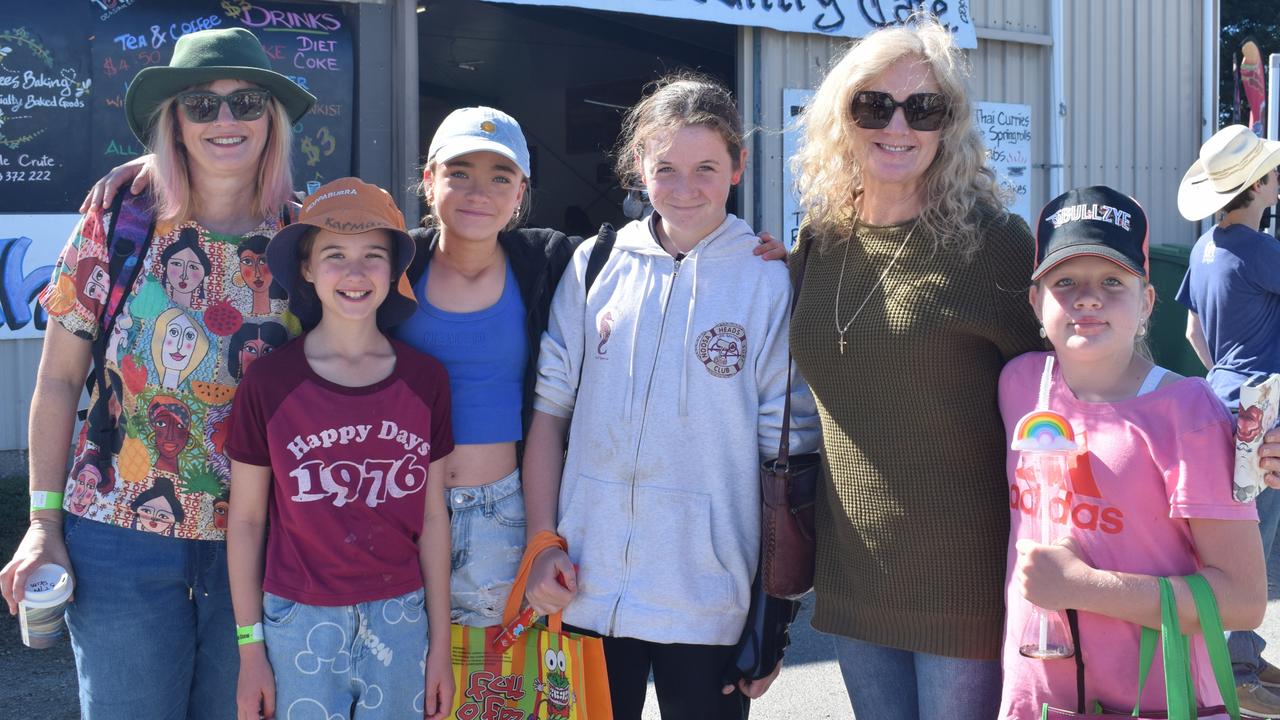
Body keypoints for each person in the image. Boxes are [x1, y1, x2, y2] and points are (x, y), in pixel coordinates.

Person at [0, 27, 313, 719]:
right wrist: (42, 522)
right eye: (200, 104)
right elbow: (56, 381)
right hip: (119, 538)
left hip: (261, 541)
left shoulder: (307, 236)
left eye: (247, 103)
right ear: (173, 121)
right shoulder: (120, 217)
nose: (225, 120)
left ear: (273, 120)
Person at [396, 105, 787, 628]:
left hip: (503, 516)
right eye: (458, 173)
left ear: (521, 191)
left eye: (500, 176)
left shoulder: (551, 263)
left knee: (490, 693)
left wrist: (790, 258)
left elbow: (783, 433)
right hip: (395, 503)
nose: (477, 192)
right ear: (428, 180)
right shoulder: (391, 269)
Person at [521, 73, 820, 720]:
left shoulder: (768, 283)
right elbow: (550, 413)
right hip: (587, 592)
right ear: (637, 167)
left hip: (710, 601)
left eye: (707, 167)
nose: (686, 189)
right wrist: (544, 543)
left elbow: (787, 454)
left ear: (739, 166)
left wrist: (775, 612)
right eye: (666, 168)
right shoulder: (595, 265)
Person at [787, 17, 1043, 719]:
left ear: (950, 125)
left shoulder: (992, 243)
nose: (898, 125)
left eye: (924, 108)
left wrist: (1211, 430)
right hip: (852, 572)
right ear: (843, 116)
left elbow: (1078, 382)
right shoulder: (820, 240)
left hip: (962, 575)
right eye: (874, 105)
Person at [999, 185, 1265, 717]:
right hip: (1035, 697)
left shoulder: (1188, 412)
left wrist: (1086, 588)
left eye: (1113, 282)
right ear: (1035, 300)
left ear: (1146, 302)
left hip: (1156, 700)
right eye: (1065, 281)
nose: (1088, 298)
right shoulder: (1019, 384)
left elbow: (1243, 599)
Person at [226, 178, 454, 720]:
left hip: (401, 616)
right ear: (306, 268)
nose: (355, 273)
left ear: (394, 270)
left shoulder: (425, 381)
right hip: (298, 618)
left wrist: (440, 647)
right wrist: (249, 649)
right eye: (334, 255)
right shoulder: (270, 383)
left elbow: (433, 517)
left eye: (373, 255)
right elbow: (247, 520)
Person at [1175, 123, 1280, 715]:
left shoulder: (1203, 246)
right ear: (1258, 184)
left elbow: (1193, 330)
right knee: (1254, 541)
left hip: (1220, 402)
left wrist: (1228, 378)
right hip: (1261, 413)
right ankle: (1236, 670)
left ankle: (1241, 651)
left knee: (1234, 535)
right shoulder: (1261, 250)